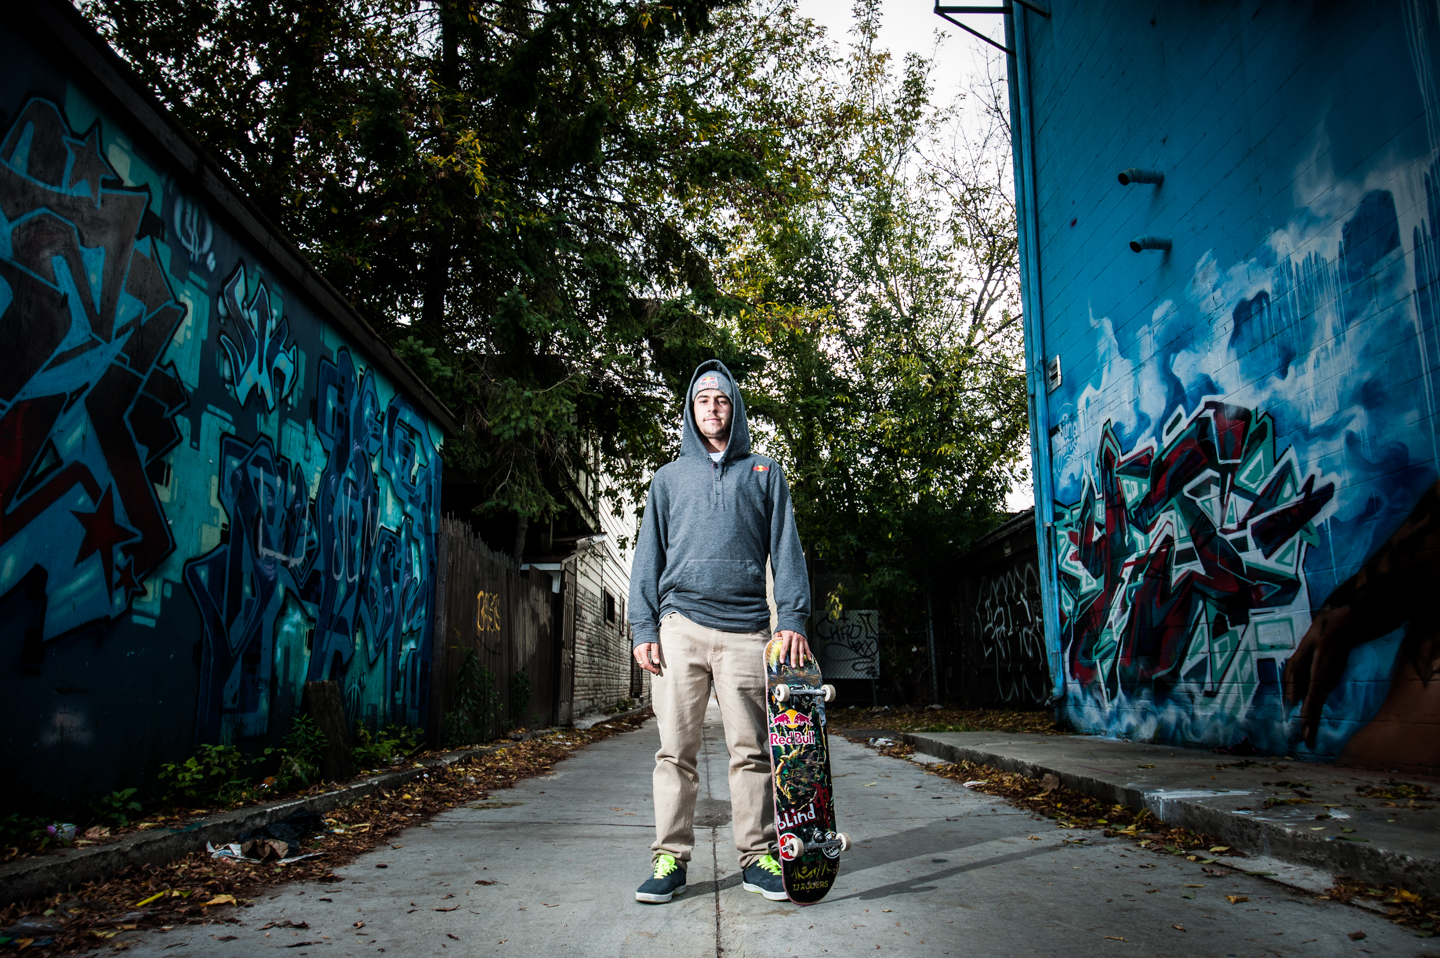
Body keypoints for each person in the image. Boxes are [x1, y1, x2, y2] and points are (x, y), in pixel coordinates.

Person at [628, 359, 812, 904]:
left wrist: (793, 619)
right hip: (680, 626)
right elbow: (647, 558)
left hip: (747, 632)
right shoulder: (668, 479)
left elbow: (786, 550)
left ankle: (757, 856)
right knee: (675, 751)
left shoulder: (764, 472)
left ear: (735, 409)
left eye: (722, 399)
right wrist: (644, 625)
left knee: (751, 751)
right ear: (691, 409)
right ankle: (669, 858)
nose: (712, 407)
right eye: (703, 399)